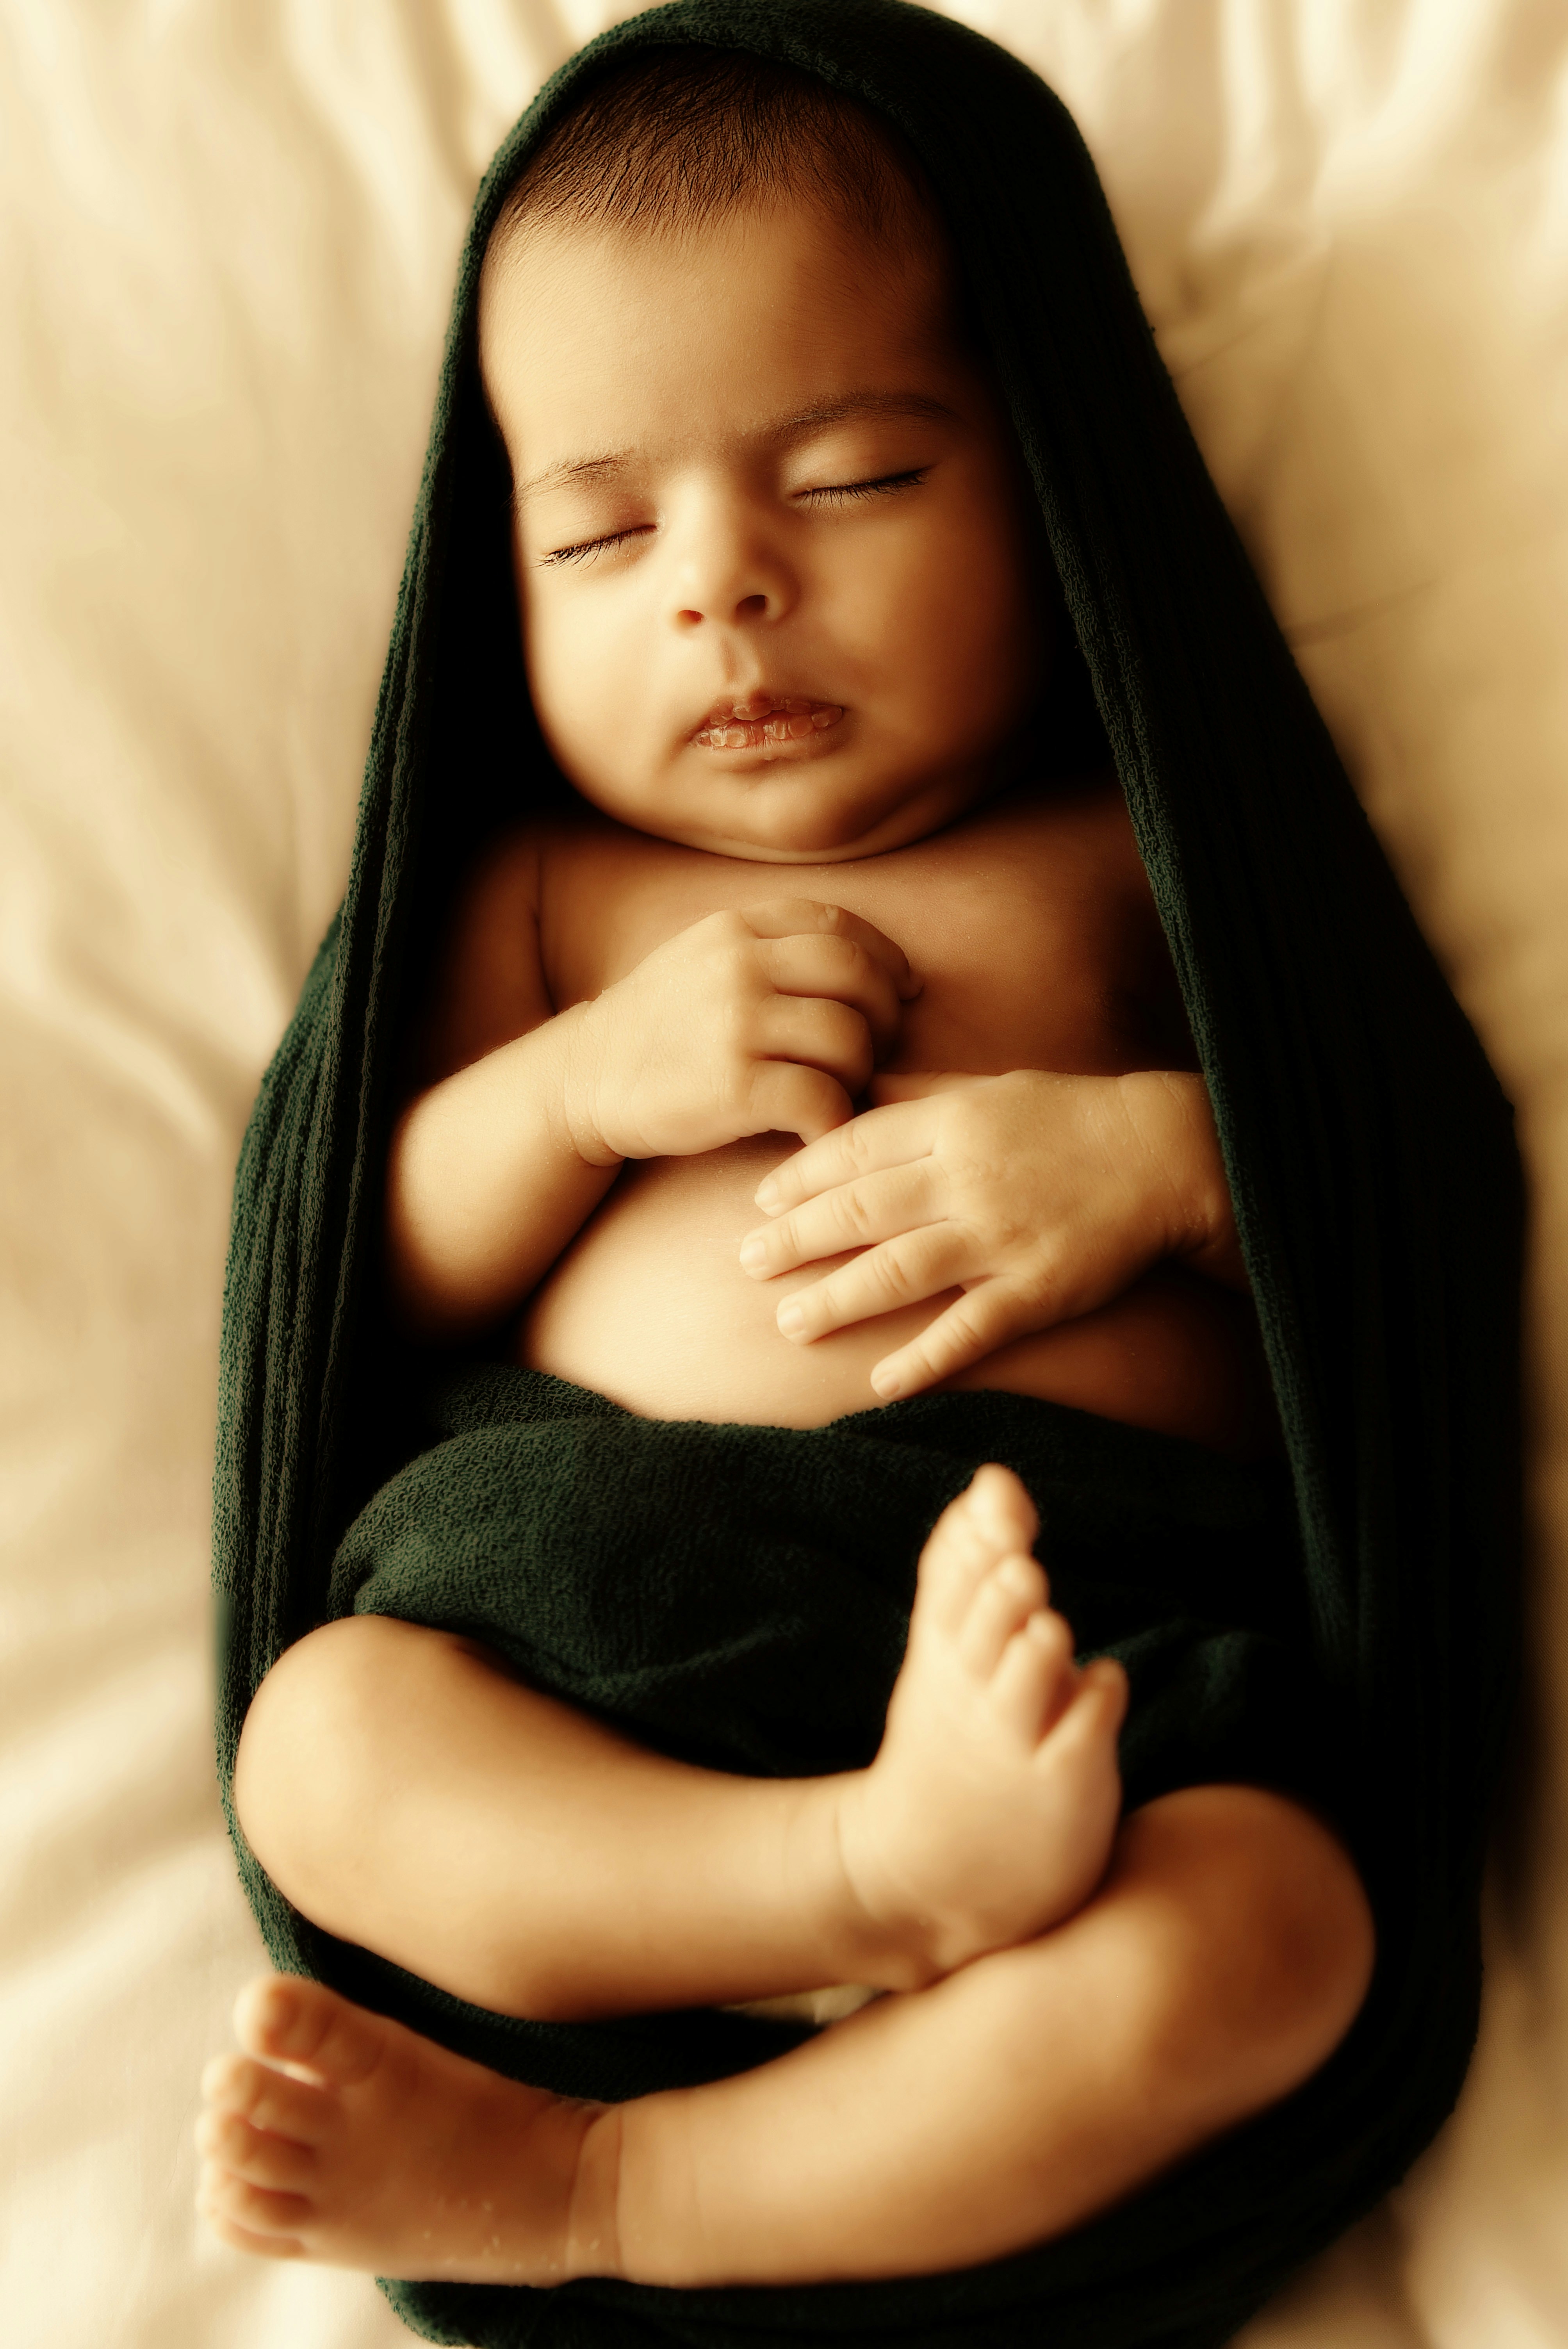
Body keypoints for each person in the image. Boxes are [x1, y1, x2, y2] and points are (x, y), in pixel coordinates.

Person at [196, 41, 1379, 2301]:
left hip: (1091, 1661)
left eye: (848, 479)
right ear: (503, 560)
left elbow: (1372, 1213)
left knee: (1286, 1932)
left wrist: (1152, 1162)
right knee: (323, 1740)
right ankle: (807, 1935)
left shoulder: (1150, 853)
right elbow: (377, 1283)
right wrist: (572, 1092)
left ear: (1052, 476)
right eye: (607, 532)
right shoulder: (539, 894)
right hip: (599, 1627)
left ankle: (637, 2189)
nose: (720, 591)